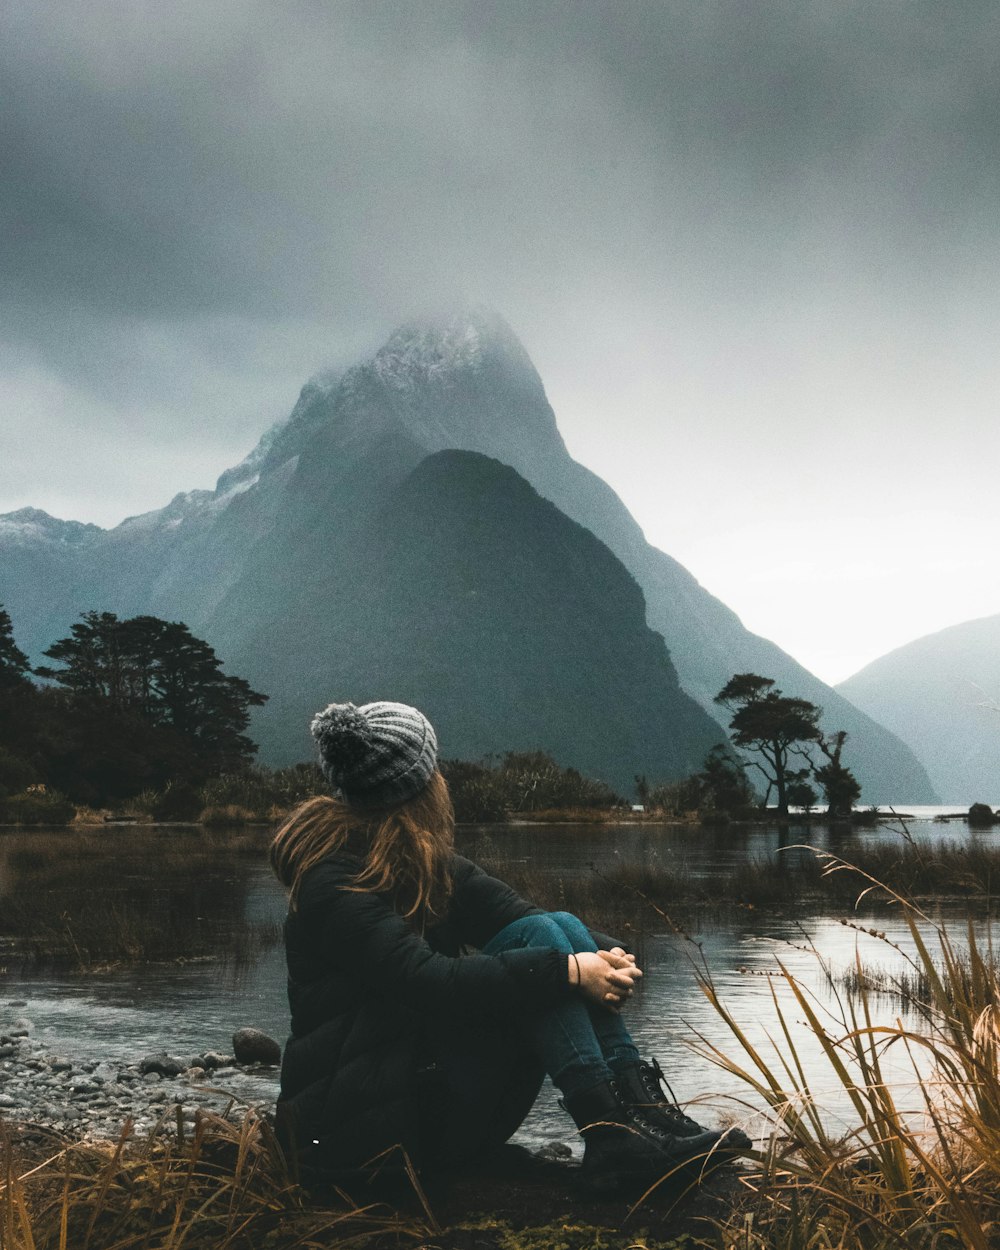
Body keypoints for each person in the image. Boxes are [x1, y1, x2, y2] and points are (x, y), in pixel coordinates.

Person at [271, 700, 750, 1194]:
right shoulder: (332, 882)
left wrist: (606, 955)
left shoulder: (424, 862)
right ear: (417, 787)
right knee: (546, 953)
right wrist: (569, 971)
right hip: (352, 1144)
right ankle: (611, 1131)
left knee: (555, 924)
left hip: (407, 1106)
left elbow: (521, 917)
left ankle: (645, 1120)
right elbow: (428, 981)